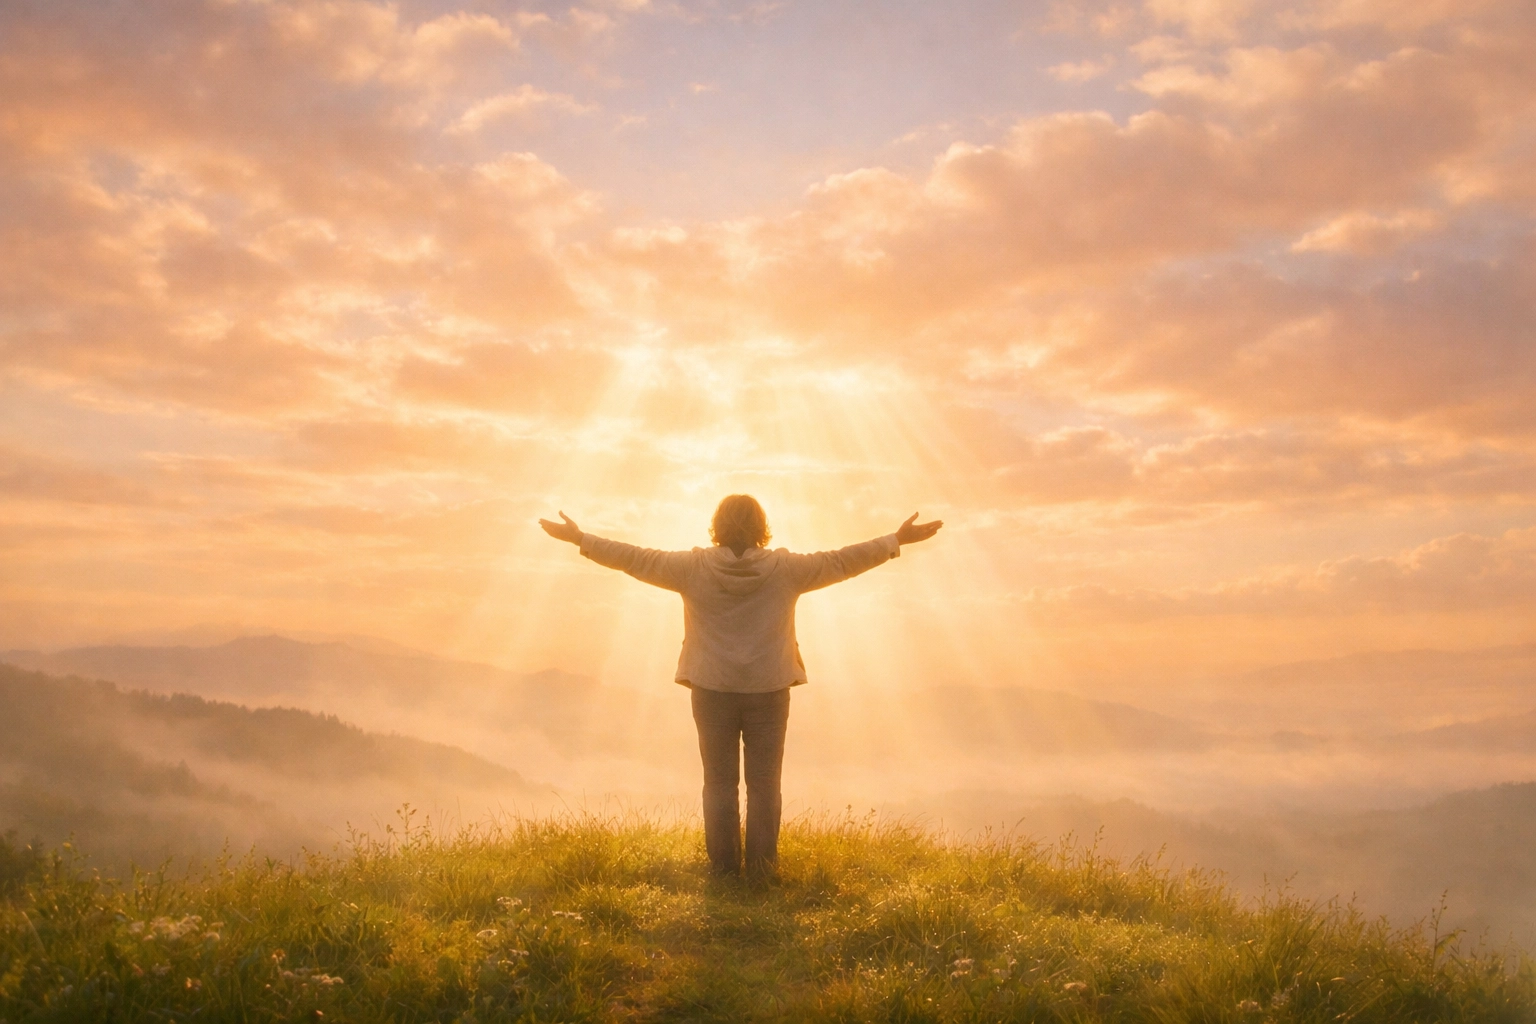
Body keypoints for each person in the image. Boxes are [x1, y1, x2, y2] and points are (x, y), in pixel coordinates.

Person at [539, 495, 942, 879]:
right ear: (761, 527)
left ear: (716, 526)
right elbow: (841, 561)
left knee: (718, 782)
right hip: (769, 688)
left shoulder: (691, 568)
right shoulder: (785, 569)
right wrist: (895, 540)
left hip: (712, 688)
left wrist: (580, 539)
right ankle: (762, 873)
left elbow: (633, 558)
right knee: (765, 783)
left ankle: (724, 871)